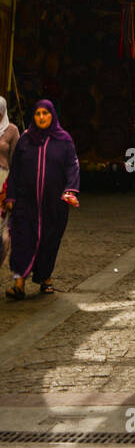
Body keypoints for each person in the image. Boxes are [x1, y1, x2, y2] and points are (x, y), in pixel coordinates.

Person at [4, 99, 79, 300]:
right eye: (38, 114)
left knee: (49, 240)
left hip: (53, 204)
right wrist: (11, 195)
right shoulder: (26, 140)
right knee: (22, 239)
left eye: (45, 114)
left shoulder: (63, 140)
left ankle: (45, 279)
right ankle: (18, 283)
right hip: (25, 202)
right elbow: (16, 170)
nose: (41, 118)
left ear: (52, 115)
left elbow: (72, 166)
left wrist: (70, 190)